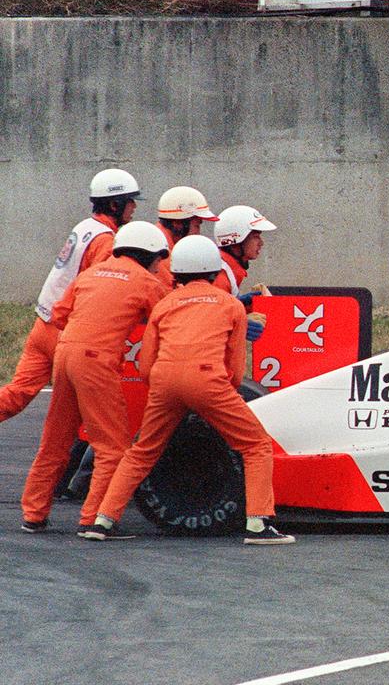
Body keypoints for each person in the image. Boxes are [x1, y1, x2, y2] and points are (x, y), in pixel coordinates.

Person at [85, 235, 294, 544]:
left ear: (177, 271)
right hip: (208, 379)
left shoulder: (165, 304)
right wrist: (213, 401)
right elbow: (235, 371)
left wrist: (168, 391)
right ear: (213, 270)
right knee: (256, 446)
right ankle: (258, 525)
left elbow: (145, 366)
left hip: (164, 380)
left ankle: (102, 521)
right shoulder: (231, 305)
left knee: (142, 452)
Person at [19, 221, 170, 534]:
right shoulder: (145, 280)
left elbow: (59, 315)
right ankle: (94, 519)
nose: (159, 266)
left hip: (64, 353)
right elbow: (169, 315)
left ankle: (33, 514)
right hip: (97, 362)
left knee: (55, 441)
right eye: (158, 259)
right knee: (112, 447)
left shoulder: (89, 275)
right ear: (147, 255)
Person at [0, 169, 141, 430]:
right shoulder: (106, 242)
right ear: (114, 204)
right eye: (130, 201)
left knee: (15, 395)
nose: (134, 207)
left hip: (43, 327)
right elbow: (101, 290)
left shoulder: (84, 227)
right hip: (66, 333)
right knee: (96, 410)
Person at [213, 205, 275, 342]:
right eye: (255, 236)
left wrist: (244, 307)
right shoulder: (220, 276)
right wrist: (240, 323)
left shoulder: (226, 270)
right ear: (237, 239)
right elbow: (205, 323)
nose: (261, 243)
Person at [153, 185, 219, 290]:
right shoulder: (161, 256)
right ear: (177, 223)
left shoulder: (156, 243)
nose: (198, 233)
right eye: (197, 225)